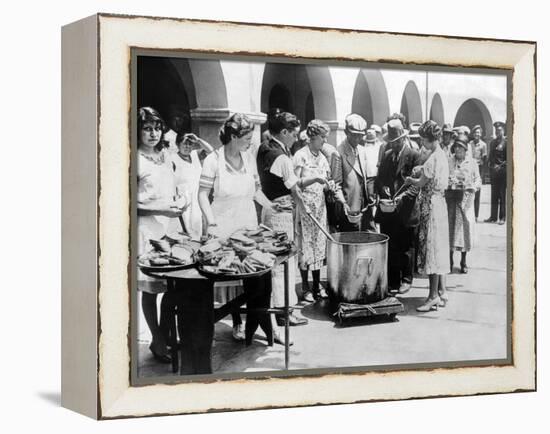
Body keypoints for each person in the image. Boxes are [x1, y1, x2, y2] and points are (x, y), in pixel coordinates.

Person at [198, 113, 276, 342]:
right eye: (246, 137)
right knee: (229, 272)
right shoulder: (212, 160)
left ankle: (259, 323)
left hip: (247, 221)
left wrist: (272, 206)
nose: (250, 142)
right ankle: (236, 321)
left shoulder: (249, 158)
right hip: (222, 222)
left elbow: (255, 192)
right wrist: (211, 222)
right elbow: (202, 194)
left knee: (255, 272)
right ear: (233, 136)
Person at [137, 107, 187, 363]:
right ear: (138, 131)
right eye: (147, 128)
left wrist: (182, 200)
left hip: (170, 229)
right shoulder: (134, 159)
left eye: (157, 128)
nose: (153, 133)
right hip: (147, 230)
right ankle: (157, 339)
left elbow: (176, 187)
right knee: (150, 290)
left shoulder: (166, 156)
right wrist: (160, 209)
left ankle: (166, 333)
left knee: (173, 285)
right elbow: (127, 203)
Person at [256, 111, 309, 339]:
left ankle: (280, 308)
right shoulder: (282, 157)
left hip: (268, 212)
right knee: (284, 262)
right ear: (284, 132)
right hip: (282, 212)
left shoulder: (263, 148)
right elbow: (295, 189)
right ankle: (284, 311)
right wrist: (304, 210)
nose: (296, 138)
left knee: (275, 262)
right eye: (294, 133)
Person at [403, 120, 450, 311]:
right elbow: (430, 174)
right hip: (440, 203)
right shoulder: (441, 155)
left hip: (430, 206)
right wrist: (421, 170)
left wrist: (410, 179)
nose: (422, 143)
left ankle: (432, 296)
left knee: (431, 249)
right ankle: (439, 293)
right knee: (437, 250)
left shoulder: (432, 158)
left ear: (430, 139)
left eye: (423, 139)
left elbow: (421, 183)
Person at [375, 119, 421, 294]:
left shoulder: (414, 155)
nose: (392, 145)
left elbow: (416, 185)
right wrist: (382, 190)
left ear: (402, 139)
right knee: (391, 245)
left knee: (406, 247)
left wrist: (401, 198)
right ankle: (393, 280)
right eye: (390, 142)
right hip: (388, 211)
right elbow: (379, 179)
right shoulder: (386, 155)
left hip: (406, 210)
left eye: (395, 142)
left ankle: (406, 279)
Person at [293, 120, 335, 302]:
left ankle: (317, 285)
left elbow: (325, 183)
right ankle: (305, 287)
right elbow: (295, 183)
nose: (324, 140)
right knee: (305, 245)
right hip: (305, 207)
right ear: (312, 137)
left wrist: (329, 186)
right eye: (322, 137)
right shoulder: (300, 156)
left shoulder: (323, 157)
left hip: (319, 207)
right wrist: (314, 179)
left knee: (318, 246)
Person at [447, 134, 482, 273]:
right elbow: (444, 176)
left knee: (464, 230)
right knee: (450, 229)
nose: (458, 150)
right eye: (456, 147)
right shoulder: (449, 161)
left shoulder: (472, 163)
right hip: (451, 200)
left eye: (460, 148)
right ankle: (449, 260)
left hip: (466, 201)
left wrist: (473, 186)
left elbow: (478, 180)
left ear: (465, 149)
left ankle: (463, 261)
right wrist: (449, 182)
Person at [169, 132, 213, 240]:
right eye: (184, 144)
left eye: (190, 144)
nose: (187, 147)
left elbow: (211, 152)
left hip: (198, 197)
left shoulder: (195, 155)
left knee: (200, 228)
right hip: (183, 199)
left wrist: (198, 140)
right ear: (177, 144)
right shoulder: (172, 159)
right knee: (187, 230)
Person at [333, 114, 373, 231]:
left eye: (360, 136)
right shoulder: (338, 153)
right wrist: (343, 203)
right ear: (346, 132)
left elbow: (367, 177)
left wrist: (371, 195)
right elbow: (336, 185)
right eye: (354, 135)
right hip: (349, 209)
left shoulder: (362, 150)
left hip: (365, 208)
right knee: (351, 243)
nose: (357, 139)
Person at [485, 121, 507, 224]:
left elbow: (508, 159)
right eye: (496, 130)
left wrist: (501, 166)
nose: (497, 132)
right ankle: (493, 217)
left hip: (502, 173)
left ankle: (502, 218)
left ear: (503, 130)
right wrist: (490, 166)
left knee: (502, 195)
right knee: (493, 195)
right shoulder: (492, 142)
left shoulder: (506, 142)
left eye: (499, 130)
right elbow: (490, 157)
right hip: (494, 173)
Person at [362, 128, 382, 231]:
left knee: (372, 202)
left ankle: (373, 225)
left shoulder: (365, 149)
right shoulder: (372, 148)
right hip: (372, 178)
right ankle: (372, 226)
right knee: (373, 202)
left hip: (371, 178)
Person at [468, 125, 488, 221]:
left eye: (479, 133)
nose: (477, 134)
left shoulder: (483, 145)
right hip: (470, 169)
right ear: (473, 134)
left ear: (481, 134)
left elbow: (484, 161)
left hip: (479, 169)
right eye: (475, 132)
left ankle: (476, 216)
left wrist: (482, 175)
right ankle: (469, 214)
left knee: (477, 192)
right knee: (469, 191)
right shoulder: (469, 144)